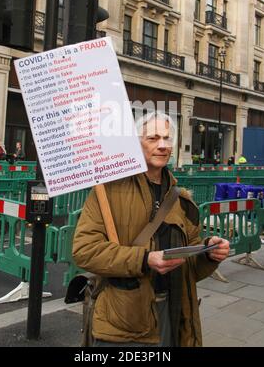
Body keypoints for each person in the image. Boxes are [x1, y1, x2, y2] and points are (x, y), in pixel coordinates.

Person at [72, 111, 229, 347]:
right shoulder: (108, 191)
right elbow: (85, 251)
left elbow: (191, 270)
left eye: (167, 139)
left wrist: (208, 253)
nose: (163, 146)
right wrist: (144, 259)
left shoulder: (182, 200)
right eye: (153, 138)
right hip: (123, 320)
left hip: (173, 314)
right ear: (136, 143)